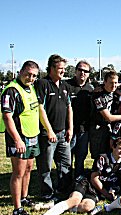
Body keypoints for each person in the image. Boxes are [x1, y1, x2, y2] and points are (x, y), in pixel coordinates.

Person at [27, 137, 121, 215]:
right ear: (113, 147)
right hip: (87, 182)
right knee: (74, 200)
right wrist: (106, 194)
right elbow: (94, 179)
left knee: (87, 207)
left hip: (96, 191)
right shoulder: (103, 158)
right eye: (120, 148)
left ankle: (54, 205)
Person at [0, 61, 40, 215]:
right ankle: (17, 209)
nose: (31, 78)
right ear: (21, 71)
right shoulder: (11, 90)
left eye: (34, 75)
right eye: (28, 74)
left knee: (28, 168)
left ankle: (24, 197)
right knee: (18, 172)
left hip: (32, 136)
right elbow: (7, 116)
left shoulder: (30, 88)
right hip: (19, 138)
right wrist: (17, 140)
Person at [35, 54, 73, 200]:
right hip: (48, 134)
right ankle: (47, 193)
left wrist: (70, 128)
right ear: (51, 68)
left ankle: (62, 192)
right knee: (46, 166)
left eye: (64, 68)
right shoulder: (42, 84)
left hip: (63, 133)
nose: (63, 71)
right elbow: (40, 108)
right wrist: (49, 130)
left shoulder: (65, 86)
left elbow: (69, 107)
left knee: (65, 164)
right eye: (60, 68)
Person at [89, 70, 121, 159]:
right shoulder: (98, 96)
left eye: (115, 83)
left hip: (110, 128)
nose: (113, 85)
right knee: (99, 155)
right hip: (98, 129)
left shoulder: (114, 92)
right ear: (104, 82)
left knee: (110, 153)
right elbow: (108, 118)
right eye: (111, 83)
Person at [66, 60, 94, 178]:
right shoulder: (67, 86)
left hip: (84, 130)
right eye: (80, 70)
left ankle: (78, 181)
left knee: (81, 157)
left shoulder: (91, 88)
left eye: (85, 71)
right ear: (75, 71)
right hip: (68, 129)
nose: (82, 73)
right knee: (67, 159)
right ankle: (65, 183)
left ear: (88, 74)